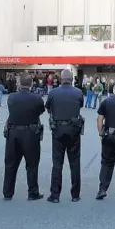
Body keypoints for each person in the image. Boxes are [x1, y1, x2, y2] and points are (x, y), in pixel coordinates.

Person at [3, 73, 45, 200]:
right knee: (32, 164)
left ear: (19, 84)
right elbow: (41, 111)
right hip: (30, 132)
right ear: (31, 84)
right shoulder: (37, 98)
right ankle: (33, 192)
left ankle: (7, 192)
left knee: (11, 163)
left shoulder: (11, 97)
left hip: (13, 132)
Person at [45, 69, 84, 203]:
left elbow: (48, 107)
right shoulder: (78, 92)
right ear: (72, 79)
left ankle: (55, 195)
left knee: (57, 163)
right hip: (74, 130)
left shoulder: (53, 92)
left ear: (61, 79)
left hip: (58, 130)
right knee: (75, 163)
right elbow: (81, 105)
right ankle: (75, 195)